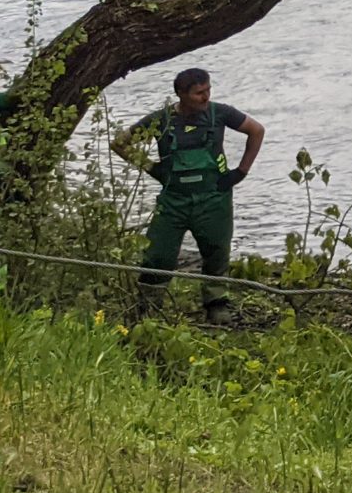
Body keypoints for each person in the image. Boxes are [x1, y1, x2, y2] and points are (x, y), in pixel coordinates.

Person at [112, 68, 263, 319]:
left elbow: (257, 131)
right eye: (198, 93)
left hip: (214, 197)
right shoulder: (161, 120)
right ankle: (149, 308)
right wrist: (150, 168)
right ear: (181, 94)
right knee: (157, 253)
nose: (205, 97)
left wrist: (241, 172)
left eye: (208, 90)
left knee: (216, 252)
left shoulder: (220, 113)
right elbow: (119, 143)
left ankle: (216, 306)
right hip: (174, 201)